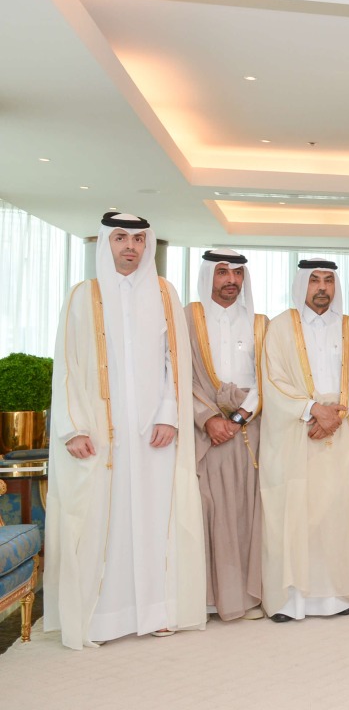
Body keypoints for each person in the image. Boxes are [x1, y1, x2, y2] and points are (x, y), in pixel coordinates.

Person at [45, 212, 205, 649]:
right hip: (101, 434)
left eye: (137, 238)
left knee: (157, 519)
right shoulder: (83, 296)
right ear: (106, 242)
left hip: (154, 432)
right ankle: (103, 618)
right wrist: (72, 428)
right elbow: (67, 365)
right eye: (120, 238)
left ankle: (157, 611)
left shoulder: (164, 292)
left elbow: (177, 359)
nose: (129, 246)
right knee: (105, 522)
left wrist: (170, 414)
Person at [259, 258, 349, 622]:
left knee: (335, 511)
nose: (322, 288)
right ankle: (290, 600)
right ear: (302, 284)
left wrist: (335, 416)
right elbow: (274, 380)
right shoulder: (281, 327)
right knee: (295, 514)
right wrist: (313, 409)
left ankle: (333, 594)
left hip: (340, 432)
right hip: (294, 433)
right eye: (314, 280)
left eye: (329, 281)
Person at [186, 249, 266, 621]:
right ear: (208, 277)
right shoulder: (187, 319)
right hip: (202, 431)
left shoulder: (261, 323)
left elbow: (270, 378)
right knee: (206, 508)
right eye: (222, 272)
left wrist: (237, 418)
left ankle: (244, 598)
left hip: (248, 429)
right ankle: (204, 599)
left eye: (237, 273)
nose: (231, 280)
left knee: (245, 510)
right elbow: (174, 377)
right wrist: (207, 418)